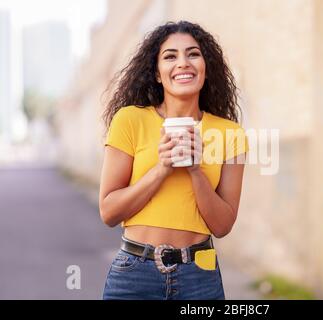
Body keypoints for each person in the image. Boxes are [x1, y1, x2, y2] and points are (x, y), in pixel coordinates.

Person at [99, 21, 248, 300]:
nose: (183, 63)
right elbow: (109, 212)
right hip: (134, 274)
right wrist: (162, 169)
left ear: (205, 67)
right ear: (157, 73)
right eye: (170, 56)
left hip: (199, 277)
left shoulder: (230, 134)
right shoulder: (130, 120)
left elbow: (222, 226)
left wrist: (195, 170)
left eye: (193, 54)